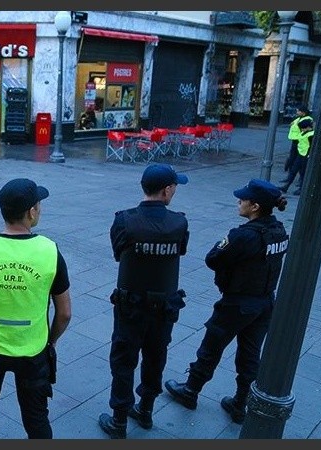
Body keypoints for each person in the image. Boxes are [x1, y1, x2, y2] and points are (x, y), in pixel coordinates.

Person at [0, 178, 72, 439]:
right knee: (37, 419)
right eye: (39, 205)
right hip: (32, 350)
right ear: (31, 212)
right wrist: (49, 341)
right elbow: (64, 313)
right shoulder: (50, 251)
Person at [165, 179, 289, 425]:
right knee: (250, 354)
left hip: (237, 303)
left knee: (211, 347)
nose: (239, 201)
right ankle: (241, 404)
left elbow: (213, 258)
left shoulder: (243, 236)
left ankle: (190, 390)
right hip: (264, 303)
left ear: (255, 206)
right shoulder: (279, 231)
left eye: (243, 199)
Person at [98, 163, 190, 439]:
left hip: (131, 307)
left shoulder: (124, 220)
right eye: (175, 187)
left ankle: (119, 421)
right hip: (164, 308)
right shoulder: (179, 222)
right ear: (167, 190)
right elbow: (180, 251)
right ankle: (146, 410)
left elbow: (118, 254)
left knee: (123, 361)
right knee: (155, 357)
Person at [279, 117, 314, 196]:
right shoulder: (303, 132)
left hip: (306, 156)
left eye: (303, 128)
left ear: (308, 127)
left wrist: (309, 155)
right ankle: (286, 186)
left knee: (303, 173)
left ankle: (301, 189)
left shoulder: (311, 135)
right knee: (293, 171)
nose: (302, 130)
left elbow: (312, 146)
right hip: (300, 154)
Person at [282, 105, 313, 176]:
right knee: (293, 156)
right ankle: (291, 169)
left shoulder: (307, 119)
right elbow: (293, 124)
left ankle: (293, 170)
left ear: (303, 112)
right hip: (296, 139)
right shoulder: (298, 118)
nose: (297, 112)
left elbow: (306, 128)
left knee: (296, 157)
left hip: (300, 140)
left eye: (299, 111)